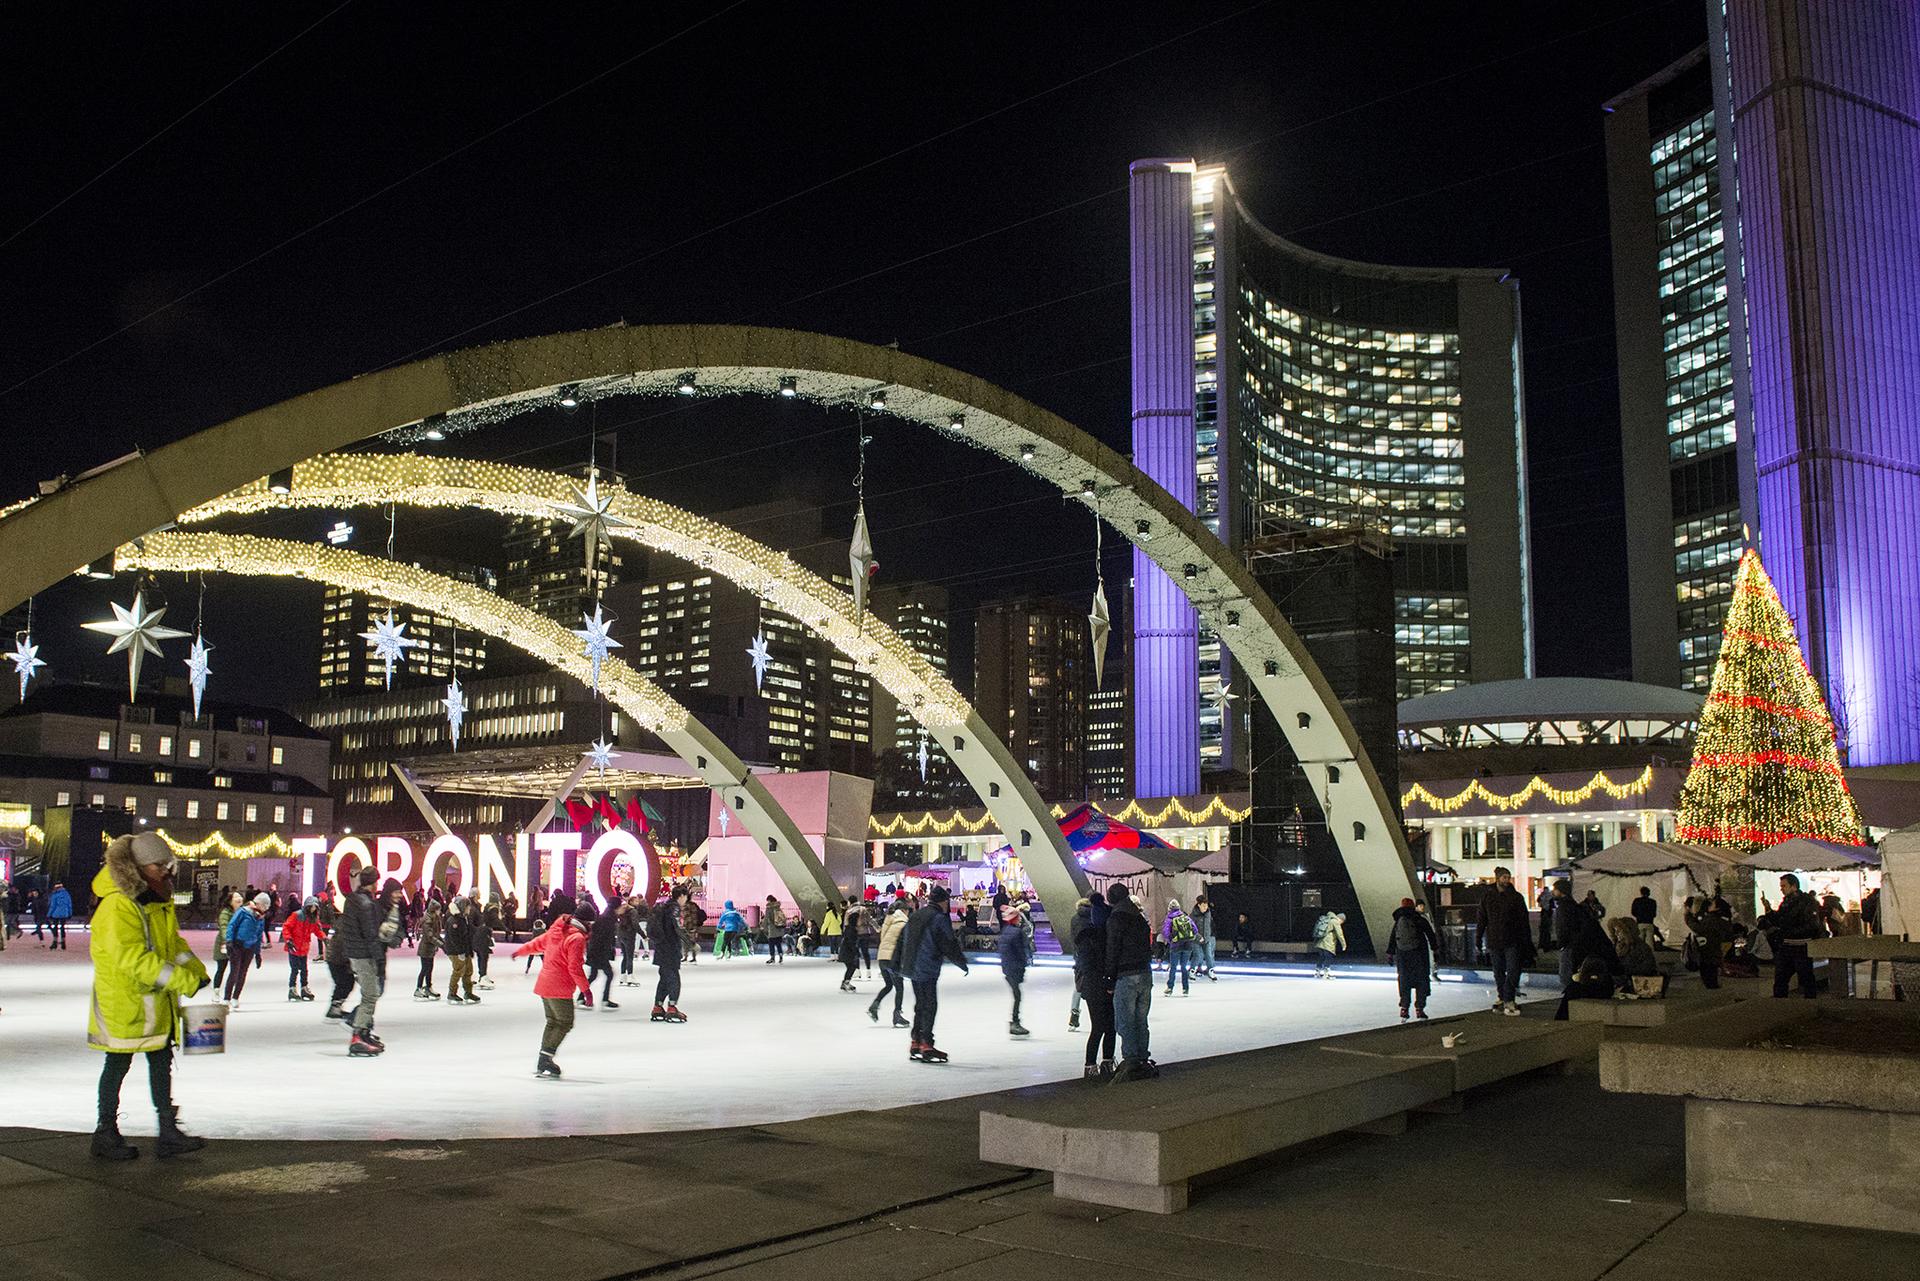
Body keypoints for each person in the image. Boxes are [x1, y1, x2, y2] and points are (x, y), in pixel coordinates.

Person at [87, 832, 209, 1161]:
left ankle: (167, 1130)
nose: (167, 871)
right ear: (140, 868)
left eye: (169, 864)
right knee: (117, 1062)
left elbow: (172, 945)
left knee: (160, 1062)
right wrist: (183, 981)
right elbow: (133, 958)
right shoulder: (118, 904)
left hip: (155, 1000)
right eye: (160, 865)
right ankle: (105, 1133)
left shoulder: (156, 898)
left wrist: (196, 971)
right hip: (125, 1000)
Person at [512, 898, 592, 1078]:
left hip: (545, 984)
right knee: (564, 1022)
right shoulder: (577, 937)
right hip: (559, 987)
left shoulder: (558, 930)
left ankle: (544, 1057)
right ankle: (545, 1058)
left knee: (553, 1021)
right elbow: (574, 967)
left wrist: (521, 951)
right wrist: (586, 990)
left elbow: (538, 943)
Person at [899, 884, 967, 1063]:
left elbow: (903, 939)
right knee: (930, 1005)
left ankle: (916, 1040)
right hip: (927, 968)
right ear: (944, 901)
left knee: (920, 1004)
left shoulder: (916, 915)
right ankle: (926, 1044)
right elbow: (947, 942)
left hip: (913, 967)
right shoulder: (938, 918)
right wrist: (961, 962)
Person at [335, 867, 392, 1056]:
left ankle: (364, 1032)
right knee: (371, 994)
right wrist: (380, 960)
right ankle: (358, 1035)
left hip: (353, 953)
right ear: (373, 882)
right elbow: (370, 934)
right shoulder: (366, 904)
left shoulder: (351, 899)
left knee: (370, 993)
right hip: (363, 955)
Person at [1105, 883, 1155, 1081]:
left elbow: (1113, 948)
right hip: (1144, 972)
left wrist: (1109, 978)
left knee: (1125, 1020)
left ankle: (1131, 1059)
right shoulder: (1139, 918)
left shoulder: (1116, 918)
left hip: (1126, 974)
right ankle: (1142, 1056)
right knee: (1141, 1020)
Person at [1758, 873, 1828, 999]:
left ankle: (1809, 1003)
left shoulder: (1806, 902)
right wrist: (1768, 909)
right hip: (1787, 945)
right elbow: (1779, 920)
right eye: (1781, 886)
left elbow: (1812, 925)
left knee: (1805, 978)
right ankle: (1781, 1003)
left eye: (1784, 886)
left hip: (1801, 945)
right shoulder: (1787, 902)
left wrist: (1789, 931)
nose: (1781, 889)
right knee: (1781, 978)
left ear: (1793, 886)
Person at [1475, 867, 1533, 1016]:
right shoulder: (1487, 897)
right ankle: (1504, 997)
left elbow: (1523, 920)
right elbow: (1482, 919)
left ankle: (1508, 998)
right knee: (1498, 971)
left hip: (1512, 939)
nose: (1507, 880)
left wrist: (1526, 940)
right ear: (1498, 878)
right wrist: (1478, 938)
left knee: (1513, 970)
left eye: (1508, 877)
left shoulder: (1516, 897)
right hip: (1494, 940)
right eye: (1504, 877)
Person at [1071, 891, 1116, 1079]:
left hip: (1097, 981)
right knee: (1101, 1025)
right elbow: (1089, 961)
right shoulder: (1089, 935)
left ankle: (1104, 1061)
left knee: (1108, 1025)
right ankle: (1092, 1064)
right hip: (1095, 982)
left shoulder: (1085, 929)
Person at [1386, 897, 1440, 1020]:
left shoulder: (1398, 922)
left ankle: (1404, 1008)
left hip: (1403, 956)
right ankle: (1419, 1009)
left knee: (1404, 981)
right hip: (1419, 955)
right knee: (1421, 980)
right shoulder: (1419, 920)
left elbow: (1392, 938)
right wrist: (1435, 950)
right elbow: (1431, 935)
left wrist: (1390, 954)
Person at [867, 895, 911, 1027]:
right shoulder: (903, 922)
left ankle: (874, 1005)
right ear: (904, 910)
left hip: (882, 957)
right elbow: (904, 943)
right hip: (893, 958)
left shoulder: (889, 919)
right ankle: (897, 1015)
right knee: (899, 987)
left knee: (888, 985)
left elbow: (883, 936)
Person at [650, 887, 689, 1022]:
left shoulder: (663, 907)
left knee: (665, 978)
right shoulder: (674, 908)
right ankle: (672, 1006)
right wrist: (690, 942)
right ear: (682, 896)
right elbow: (677, 928)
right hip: (670, 949)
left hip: (661, 948)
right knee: (673, 978)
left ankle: (658, 1006)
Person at [223, 893, 269, 1008]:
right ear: (258, 903)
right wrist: (229, 941)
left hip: (250, 947)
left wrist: (258, 953)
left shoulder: (260, 918)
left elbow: (258, 936)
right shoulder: (243, 911)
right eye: (265, 906)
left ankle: (235, 997)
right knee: (234, 972)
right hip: (237, 945)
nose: (266, 909)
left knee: (243, 973)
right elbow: (231, 926)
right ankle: (226, 998)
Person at [995, 890, 1031, 1036]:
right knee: (1017, 996)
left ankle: (1015, 1022)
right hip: (1014, 968)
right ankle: (1015, 1022)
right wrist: (1024, 965)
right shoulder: (1017, 933)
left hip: (1007, 969)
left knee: (1017, 995)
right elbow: (1020, 952)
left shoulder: (1005, 932)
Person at [280, 897, 322, 1001]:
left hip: (304, 948)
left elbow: (317, 930)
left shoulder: (314, 918)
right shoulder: (297, 915)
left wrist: (324, 938)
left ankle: (304, 988)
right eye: (311, 906)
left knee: (304, 969)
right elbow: (287, 927)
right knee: (294, 969)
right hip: (294, 947)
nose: (313, 909)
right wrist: (288, 940)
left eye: (315, 907)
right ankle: (292, 989)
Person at [1548, 880, 1585, 993]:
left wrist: (1561, 943)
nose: (1553, 892)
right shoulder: (1574, 905)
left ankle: (1569, 997)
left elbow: (1563, 927)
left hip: (1568, 945)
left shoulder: (1564, 907)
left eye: (1555, 890)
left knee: (1565, 975)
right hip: (1575, 944)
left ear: (1560, 891)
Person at [585, 899, 619, 1008]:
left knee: (593, 975)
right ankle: (604, 999)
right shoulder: (608, 918)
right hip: (599, 951)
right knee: (608, 974)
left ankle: (582, 997)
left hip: (596, 950)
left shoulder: (605, 916)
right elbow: (603, 937)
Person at [444, 896, 477, 1004]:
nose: (469, 909)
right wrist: (459, 952)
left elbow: (466, 936)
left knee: (468, 970)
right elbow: (453, 938)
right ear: (463, 907)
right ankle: (452, 993)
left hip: (464, 950)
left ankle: (468, 992)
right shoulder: (454, 920)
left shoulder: (463, 918)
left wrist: (469, 950)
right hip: (455, 951)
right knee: (458, 970)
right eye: (468, 907)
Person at [1163, 899, 1198, 995]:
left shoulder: (1169, 919)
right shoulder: (1186, 917)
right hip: (1188, 945)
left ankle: (1170, 988)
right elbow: (1195, 929)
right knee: (1184, 967)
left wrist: (1171, 940)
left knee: (1173, 967)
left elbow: (1166, 933)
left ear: (1170, 909)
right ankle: (1185, 989)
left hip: (1176, 946)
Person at [414, 898, 444, 1000]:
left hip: (430, 948)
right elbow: (430, 936)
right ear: (434, 909)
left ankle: (428, 987)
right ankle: (418, 988)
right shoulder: (428, 919)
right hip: (425, 948)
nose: (439, 912)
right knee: (425, 969)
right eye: (438, 909)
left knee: (429, 968)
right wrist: (441, 945)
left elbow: (436, 933)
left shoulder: (434, 918)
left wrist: (443, 943)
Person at [211, 890, 241, 989]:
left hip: (236, 944)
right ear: (230, 901)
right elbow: (224, 927)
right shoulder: (225, 913)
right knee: (221, 968)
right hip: (224, 944)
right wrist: (227, 940)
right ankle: (216, 990)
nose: (239, 898)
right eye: (236, 897)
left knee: (235, 970)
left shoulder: (242, 912)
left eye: (240, 896)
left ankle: (231, 993)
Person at [837, 899, 866, 990]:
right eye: (859, 919)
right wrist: (856, 952)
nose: (860, 922)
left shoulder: (851, 928)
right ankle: (845, 983)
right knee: (852, 966)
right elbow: (851, 942)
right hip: (847, 951)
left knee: (851, 966)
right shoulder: (851, 930)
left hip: (846, 950)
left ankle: (845, 982)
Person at [1311, 910, 1346, 978]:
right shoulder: (1335, 921)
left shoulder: (1327, 919)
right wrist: (1344, 944)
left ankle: (1317, 972)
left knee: (1321, 957)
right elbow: (1340, 934)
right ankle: (1326, 973)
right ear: (1340, 919)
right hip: (1328, 943)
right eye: (1342, 922)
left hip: (1320, 942)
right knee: (1328, 957)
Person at [1190, 894, 1217, 980]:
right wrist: (1198, 937)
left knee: (1209, 955)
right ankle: (1192, 971)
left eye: (1206, 906)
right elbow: (1191, 928)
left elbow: (1208, 926)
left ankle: (1211, 970)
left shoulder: (1208, 913)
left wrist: (1207, 937)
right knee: (1197, 955)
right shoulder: (1193, 915)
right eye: (1203, 906)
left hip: (1207, 939)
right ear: (1199, 905)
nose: (1205, 908)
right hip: (1196, 939)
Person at [474, 897, 496, 988]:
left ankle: (483, 976)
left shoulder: (482, 912)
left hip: (482, 937)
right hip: (481, 938)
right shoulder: (488, 913)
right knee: (483, 957)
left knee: (483, 957)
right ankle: (482, 976)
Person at [617, 896, 640, 982]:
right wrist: (643, 935)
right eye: (636, 901)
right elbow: (635, 924)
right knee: (629, 956)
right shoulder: (633, 911)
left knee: (625, 956)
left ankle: (623, 976)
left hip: (621, 935)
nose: (638, 903)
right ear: (631, 902)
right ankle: (630, 976)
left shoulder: (622, 910)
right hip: (629, 935)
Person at [45, 879, 73, 950]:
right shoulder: (67, 894)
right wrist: (70, 913)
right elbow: (69, 904)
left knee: (55, 927)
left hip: (56, 914)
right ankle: (63, 943)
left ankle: (55, 942)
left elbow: (52, 906)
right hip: (64, 913)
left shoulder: (55, 895)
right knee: (62, 928)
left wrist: (48, 914)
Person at [680, 893, 706, 964]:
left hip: (688, 926)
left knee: (687, 941)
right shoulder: (693, 905)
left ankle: (687, 956)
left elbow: (687, 916)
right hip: (692, 925)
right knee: (690, 940)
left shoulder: (686, 906)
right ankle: (692, 957)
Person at [762, 894, 787, 964]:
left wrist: (764, 927)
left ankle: (772, 957)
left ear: (769, 900)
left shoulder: (769, 908)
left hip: (772, 929)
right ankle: (781, 955)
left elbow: (766, 918)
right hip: (779, 929)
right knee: (778, 943)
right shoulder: (778, 907)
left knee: (771, 944)